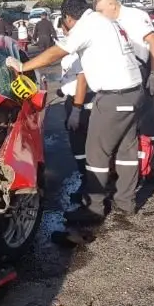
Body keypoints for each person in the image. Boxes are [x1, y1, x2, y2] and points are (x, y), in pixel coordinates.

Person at [5, 0, 143, 224]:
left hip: (113, 96)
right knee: (126, 151)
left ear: (68, 17)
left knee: (96, 153)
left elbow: (56, 53)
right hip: (134, 92)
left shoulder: (87, 25)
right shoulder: (106, 22)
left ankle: (94, 209)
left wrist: (22, 65)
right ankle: (126, 202)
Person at [95, 0, 154, 182]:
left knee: (147, 122)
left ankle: (150, 165)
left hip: (142, 72)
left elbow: (153, 41)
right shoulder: (105, 24)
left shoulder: (135, 17)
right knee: (127, 125)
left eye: (100, 10)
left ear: (112, 5)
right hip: (122, 75)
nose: (99, 14)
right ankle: (126, 169)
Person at [57, 24, 94, 205]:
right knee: (78, 145)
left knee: (83, 143)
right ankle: (87, 180)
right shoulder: (71, 44)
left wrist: (77, 109)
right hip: (73, 98)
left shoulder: (80, 45)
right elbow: (68, 74)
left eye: (64, 27)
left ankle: (91, 186)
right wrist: (62, 88)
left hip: (83, 100)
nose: (63, 32)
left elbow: (82, 79)